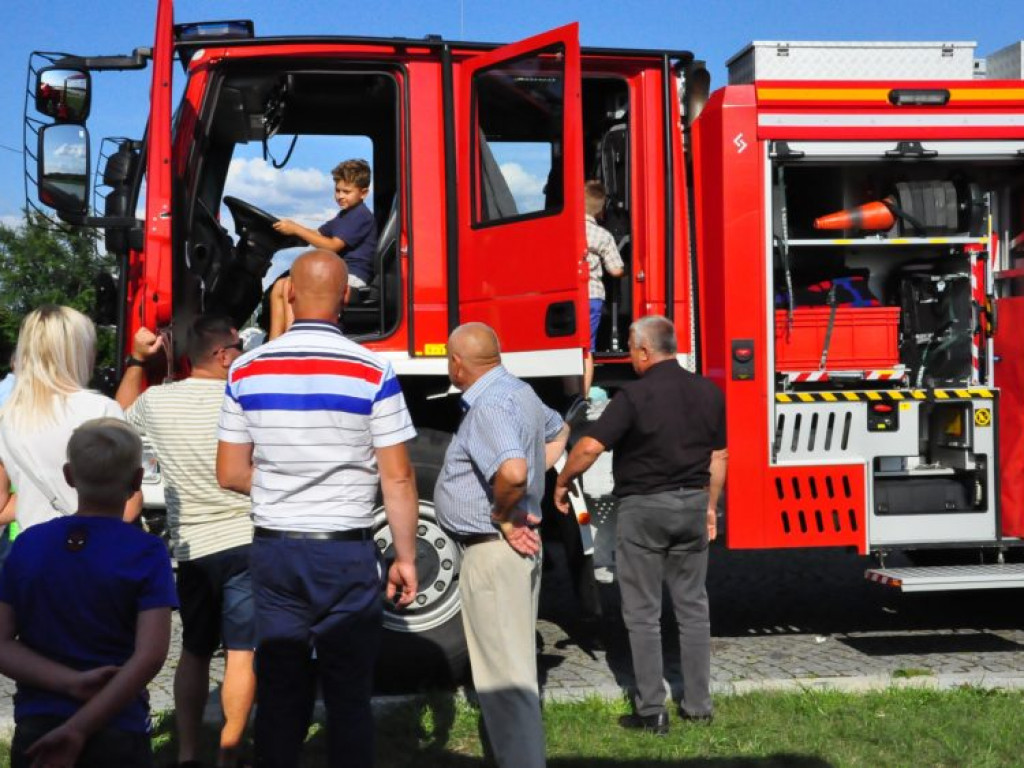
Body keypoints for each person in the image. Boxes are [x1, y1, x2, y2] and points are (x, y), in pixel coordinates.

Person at [216, 249, 419, 768]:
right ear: (346, 297)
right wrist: (406, 556)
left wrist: (287, 480)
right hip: (346, 552)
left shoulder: (245, 370)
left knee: (282, 690)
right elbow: (397, 474)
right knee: (349, 696)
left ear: (287, 294)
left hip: (275, 550)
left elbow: (231, 473)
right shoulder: (374, 371)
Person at [555, 315, 727, 734]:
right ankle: (699, 705)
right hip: (691, 502)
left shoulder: (632, 397)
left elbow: (591, 446)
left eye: (632, 350)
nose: (630, 358)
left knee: (643, 612)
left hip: (644, 509)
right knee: (693, 608)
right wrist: (710, 506)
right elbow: (719, 457)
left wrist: (562, 481)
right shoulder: (708, 390)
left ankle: (652, 710)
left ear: (646, 351)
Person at [115, 316, 256, 768]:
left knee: (194, 650)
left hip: (193, 547)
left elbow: (117, 416)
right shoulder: (245, 397)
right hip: (246, 538)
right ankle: (229, 754)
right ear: (221, 355)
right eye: (237, 346)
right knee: (241, 651)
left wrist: (139, 361)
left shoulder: (157, 402)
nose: (242, 352)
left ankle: (188, 752)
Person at [0, 418, 176, 767]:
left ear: (69, 475)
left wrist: (71, 683)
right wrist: (81, 727)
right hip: (117, 720)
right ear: (137, 481)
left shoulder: (30, 544)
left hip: (40, 721)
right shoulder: (146, 551)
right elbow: (151, 656)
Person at [434, 322, 569, 768]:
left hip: (494, 549)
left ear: (457, 364)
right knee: (512, 667)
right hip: (511, 551)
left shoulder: (489, 404)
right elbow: (559, 430)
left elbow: (511, 472)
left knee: (504, 679)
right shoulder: (520, 391)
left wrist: (503, 513)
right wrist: (533, 478)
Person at [0, 305, 142, 533]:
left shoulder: (7, 417)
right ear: (78, 352)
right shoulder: (101, 410)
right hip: (89, 553)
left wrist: (36, 501)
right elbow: (129, 509)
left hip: (33, 552)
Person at [272, 158, 378, 289]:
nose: (340, 196)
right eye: (337, 190)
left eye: (346, 192)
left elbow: (332, 246)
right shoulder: (343, 216)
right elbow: (317, 234)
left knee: (289, 287)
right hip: (338, 271)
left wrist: (296, 229)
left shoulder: (360, 215)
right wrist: (287, 227)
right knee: (281, 285)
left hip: (352, 275)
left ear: (363, 193)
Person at [583, 180, 625, 399]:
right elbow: (616, 269)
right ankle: (583, 396)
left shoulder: (564, 229)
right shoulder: (602, 235)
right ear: (600, 211)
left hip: (567, 296)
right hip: (592, 296)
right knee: (586, 349)